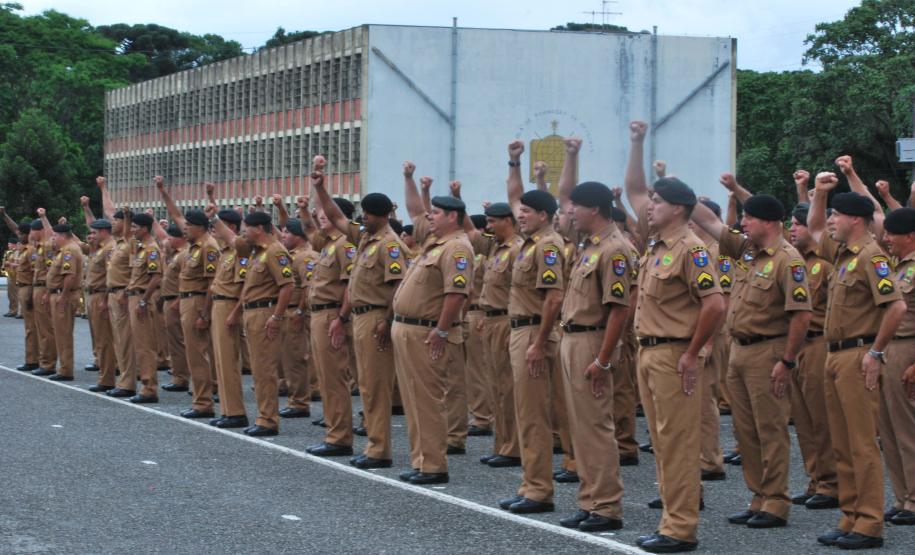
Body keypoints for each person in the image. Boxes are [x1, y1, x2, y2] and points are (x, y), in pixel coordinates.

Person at [625, 120, 725, 553]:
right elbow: (633, 190)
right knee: (663, 441)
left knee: (679, 441)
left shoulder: (691, 248)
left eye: (658, 202)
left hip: (673, 354)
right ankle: (672, 516)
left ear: (680, 209)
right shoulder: (657, 246)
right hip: (650, 352)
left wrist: (693, 351)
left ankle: (681, 528)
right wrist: (637, 143)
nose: (650, 206)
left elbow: (715, 304)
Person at [692, 190, 813, 529]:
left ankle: (776, 501)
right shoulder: (747, 250)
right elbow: (709, 221)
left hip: (769, 351)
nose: (742, 222)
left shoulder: (788, 260)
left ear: (771, 223)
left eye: (749, 218)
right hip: (739, 350)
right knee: (745, 432)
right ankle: (758, 495)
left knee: (770, 429)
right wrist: (680, 193)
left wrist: (787, 361)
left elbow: (801, 315)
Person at [807, 174, 906, 549]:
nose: (830, 219)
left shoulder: (871, 256)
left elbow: (895, 306)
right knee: (843, 443)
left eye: (837, 214)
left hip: (857, 355)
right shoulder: (844, 255)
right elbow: (815, 228)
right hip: (835, 356)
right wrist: (820, 192)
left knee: (862, 444)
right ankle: (850, 516)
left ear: (855, 219)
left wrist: (876, 353)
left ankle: (869, 523)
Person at [312, 170, 405, 469]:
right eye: (362, 213)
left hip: (377, 316)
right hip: (362, 316)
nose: (362, 217)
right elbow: (338, 218)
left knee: (376, 387)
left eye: (367, 213)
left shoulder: (389, 244)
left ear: (381, 216)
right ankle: (369, 445)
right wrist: (321, 188)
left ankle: (379, 450)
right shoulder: (367, 238)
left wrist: (387, 321)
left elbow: (396, 286)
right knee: (366, 385)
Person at [556, 181, 632, 532]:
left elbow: (618, 311)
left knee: (596, 427)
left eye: (575, 207)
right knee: (581, 428)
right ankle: (590, 500)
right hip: (573, 339)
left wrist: (603, 360)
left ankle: (605, 506)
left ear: (594, 209)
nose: (569, 212)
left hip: (592, 343)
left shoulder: (614, 250)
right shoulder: (590, 246)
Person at [496, 148, 567, 514]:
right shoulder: (530, 243)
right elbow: (513, 194)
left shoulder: (550, 246)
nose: (519, 215)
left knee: (534, 414)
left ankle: (539, 490)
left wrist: (539, 343)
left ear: (544, 215)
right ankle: (531, 484)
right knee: (526, 413)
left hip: (534, 333)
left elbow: (554, 299)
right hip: (520, 330)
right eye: (518, 211)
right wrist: (513, 163)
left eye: (526, 211)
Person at [392, 194, 473, 485]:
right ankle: (422, 460)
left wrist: (441, 330)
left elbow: (457, 294)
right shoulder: (435, 244)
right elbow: (416, 210)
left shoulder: (457, 248)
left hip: (427, 332)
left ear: (452, 216)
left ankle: (434, 465)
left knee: (427, 399)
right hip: (408, 329)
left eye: (435, 213)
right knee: (414, 400)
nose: (429, 217)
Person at [785, 188, 839, 510]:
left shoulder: (827, 263)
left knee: (822, 419)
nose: (791, 230)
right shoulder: (794, 262)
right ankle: (815, 478)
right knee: (803, 421)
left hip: (819, 342)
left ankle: (832, 483)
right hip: (796, 345)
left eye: (797, 225)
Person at [303, 157, 358, 456]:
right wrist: (316, 188)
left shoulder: (346, 243)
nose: (320, 216)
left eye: (326, 213)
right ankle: (334, 431)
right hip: (319, 315)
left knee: (336, 378)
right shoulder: (327, 244)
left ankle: (340, 438)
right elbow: (310, 223)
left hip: (332, 316)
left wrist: (340, 317)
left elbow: (350, 284)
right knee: (327, 377)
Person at [157, 178, 221, 417]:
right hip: (186, 301)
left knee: (198, 354)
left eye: (188, 227)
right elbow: (176, 215)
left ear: (200, 227)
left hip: (197, 302)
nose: (184, 230)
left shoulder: (208, 247)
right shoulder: (193, 247)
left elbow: (210, 284)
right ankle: (199, 399)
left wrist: (204, 313)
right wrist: (164, 192)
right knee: (194, 354)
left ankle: (204, 403)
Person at [236, 210, 294, 436]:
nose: (244, 234)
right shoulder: (257, 253)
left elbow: (287, 286)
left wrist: (277, 316)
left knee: (265, 369)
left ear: (258, 228)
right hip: (254, 313)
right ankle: (263, 416)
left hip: (265, 313)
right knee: (259, 370)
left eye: (246, 229)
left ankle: (268, 419)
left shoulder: (274, 251)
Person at [477, 201, 524, 469]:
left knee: (508, 388)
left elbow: (520, 291)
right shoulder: (497, 248)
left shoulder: (517, 249)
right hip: (492, 320)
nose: (488, 226)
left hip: (507, 320)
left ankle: (513, 447)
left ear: (507, 220)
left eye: (493, 222)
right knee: (496, 387)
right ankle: (502, 443)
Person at [876, 207, 915, 526]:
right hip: (887, 350)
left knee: (908, 431)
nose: (885, 238)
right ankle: (902, 497)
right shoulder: (893, 265)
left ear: (910, 236)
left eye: (891, 234)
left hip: (908, 351)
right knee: (888, 430)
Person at [204, 196, 251, 428]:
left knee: (229, 361)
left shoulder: (240, 253)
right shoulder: (225, 252)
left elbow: (244, 287)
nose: (214, 230)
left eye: (217, 225)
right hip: (219, 305)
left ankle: (235, 411)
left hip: (229, 305)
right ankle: (226, 408)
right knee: (221, 361)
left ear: (230, 227)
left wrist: (235, 312)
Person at [123, 212, 163, 403]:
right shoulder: (141, 248)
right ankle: (145, 384)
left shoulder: (151, 249)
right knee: (139, 345)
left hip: (141, 299)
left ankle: (149, 388)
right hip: (134, 297)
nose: (132, 230)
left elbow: (156, 277)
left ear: (145, 229)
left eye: (135, 227)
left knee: (145, 345)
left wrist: (143, 301)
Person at [44, 221, 85, 381]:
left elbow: (70, 275)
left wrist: (63, 296)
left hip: (64, 296)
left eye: (54, 236)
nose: (53, 239)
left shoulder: (69, 250)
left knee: (63, 334)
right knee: (60, 333)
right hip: (59, 294)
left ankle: (66, 370)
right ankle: (63, 368)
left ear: (61, 236)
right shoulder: (64, 250)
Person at [83, 218, 118, 392]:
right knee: (100, 340)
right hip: (93, 296)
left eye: (94, 233)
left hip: (101, 297)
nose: (92, 236)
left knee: (104, 340)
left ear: (103, 232)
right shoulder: (101, 249)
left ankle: (107, 379)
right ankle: (105, 376)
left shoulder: (110, 249)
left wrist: (105, 300)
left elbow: (109, 277)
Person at [159, 224, 191, 395]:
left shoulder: (185, 254)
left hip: (177, 301)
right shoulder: (174, 254)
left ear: (181, 238)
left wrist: (178, 300)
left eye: (171, 236)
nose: (168, 239)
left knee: (179, 341)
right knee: (174, 341)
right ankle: (179, 375)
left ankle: (181, 378)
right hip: (169, 300)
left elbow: (187, 281)